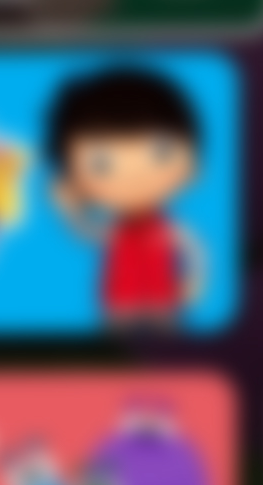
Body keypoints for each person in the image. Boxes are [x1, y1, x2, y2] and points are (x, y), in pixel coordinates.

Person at [46, 66, 208, 331]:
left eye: (161, 152)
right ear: (74, 177)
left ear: (192, 165)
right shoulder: (118, 230)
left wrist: (196, 282)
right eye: (101, 164)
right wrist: (68, 211)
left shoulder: (165, 228)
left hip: (162, 303)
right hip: (119, 306)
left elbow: (193, 248)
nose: (134, 178)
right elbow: (90, 233)